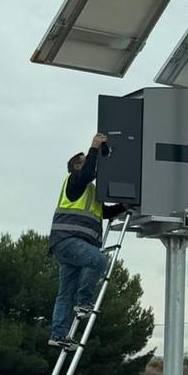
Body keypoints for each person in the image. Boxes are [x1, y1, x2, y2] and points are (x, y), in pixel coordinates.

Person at [48, 133, 127, 349]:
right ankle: (84, 303)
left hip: (68, 246)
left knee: (65, 293)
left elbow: (106, 213)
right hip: (69, 240)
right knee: (99, 261)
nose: (91, 164)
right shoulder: (75, 181)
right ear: (76, 166)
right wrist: (93, 148)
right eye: (83, 161)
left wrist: (125, 206)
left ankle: (58, 334)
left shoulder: (90, 192)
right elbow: (88, 172)